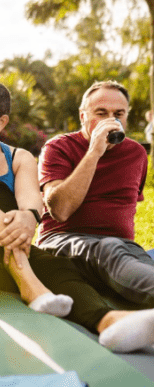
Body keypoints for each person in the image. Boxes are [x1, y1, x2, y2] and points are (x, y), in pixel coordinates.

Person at [0, 79, 154, 354]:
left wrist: (27, 216)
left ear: (1, 122)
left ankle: (107, 321)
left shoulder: (20, 157)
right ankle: (27, 281)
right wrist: (10, 219)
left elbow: (31, 202)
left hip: (2, 257)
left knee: (60, 267)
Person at [37, 80, 154, 352]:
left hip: (120, 250)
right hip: (63, 241)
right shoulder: (59, 148)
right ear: (83, 116)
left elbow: (126, 208)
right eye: (101, 113)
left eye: (118, 114)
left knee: (121, 251)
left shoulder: (137, 153)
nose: (111, 120)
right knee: (109, 247)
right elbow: (60, 209)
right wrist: (94, 152)